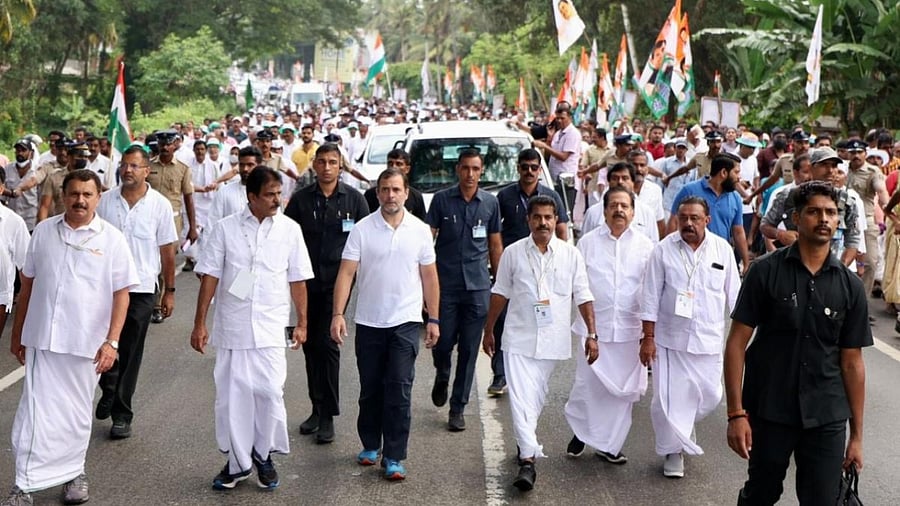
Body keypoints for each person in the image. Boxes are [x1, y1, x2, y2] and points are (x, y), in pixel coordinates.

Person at [724, 180, 871, 505]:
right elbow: (736, 344)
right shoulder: (764, 272)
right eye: (814, 211)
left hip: (826, 415)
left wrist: (857, 436)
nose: (824, 219)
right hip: (769, 410)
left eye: (831, 213)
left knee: (821, 499)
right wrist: (736, 414)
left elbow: (852, 363)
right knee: (761, 493)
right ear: (795, 218)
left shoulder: (850, 286)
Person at [4, 170, 139, 506]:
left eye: (87, 195)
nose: (80, 200)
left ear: (98, 197)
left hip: (86, 346)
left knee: (76, 415)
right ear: (64, 194)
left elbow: (122, 294)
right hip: (42, 341)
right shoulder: (44, 233)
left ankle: (73, 473)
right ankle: (24, 484)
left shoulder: (112, 239)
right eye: (74, 193)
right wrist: (19, 333)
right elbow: (29, 285)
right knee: (34, 414)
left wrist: (112, 342)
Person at [191, 167, 313, 491]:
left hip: (272, 327)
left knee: (271, 393)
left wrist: (302, 322)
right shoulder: (225, 230)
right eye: (270, 194)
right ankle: (238, 464)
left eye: (279, 193)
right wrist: (199, 323)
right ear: (252, 197)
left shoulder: (290, 230)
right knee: (233, 399)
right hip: (233, 327)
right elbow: (210, 277)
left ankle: (263, 454)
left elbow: (298, 278)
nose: (277, 199)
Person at [330, 167, 440, 481]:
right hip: (368, 321)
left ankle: (393, 455)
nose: (390, 196)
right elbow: (347, 273)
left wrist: (433, 318)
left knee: (400, 389)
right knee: (371, 389)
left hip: (405, 322)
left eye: (396, 190)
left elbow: (429, 276)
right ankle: (370, 443)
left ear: (406, 193)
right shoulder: (362, 229)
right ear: (377, 193)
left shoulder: (419, 230)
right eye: (384, 190)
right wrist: (338, 314)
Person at [483, 194, 596, 492]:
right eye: (537, 217)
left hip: (552, 340)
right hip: (518, 337)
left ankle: (525, 444)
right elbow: (500, 292)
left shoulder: (570, 255)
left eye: (548, 217)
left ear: (555, 219)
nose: (543, 222)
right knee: (520, 398)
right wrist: (489, 329)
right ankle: (528, 461)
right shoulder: (513, 253)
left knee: (534, 398)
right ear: (528, 220)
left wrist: (592, 334)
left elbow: (583, 295)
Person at [640, 196, 740, 479]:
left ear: (707, 220)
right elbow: (649, 296)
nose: (688, 223)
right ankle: (674, 452)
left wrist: (745, 336)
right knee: (669, 400)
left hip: (708, 339)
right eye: (683, 217)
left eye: (694, 218)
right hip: (670, 340)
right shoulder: (663, 250)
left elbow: (736, 297)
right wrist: (648, 337)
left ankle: (682, 424)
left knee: (711, 394)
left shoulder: (722, 249)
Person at [284, 143, 369, 444]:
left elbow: (366, 242)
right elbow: (287, 238)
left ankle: (329, 415)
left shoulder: (355, 200)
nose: (327, 167)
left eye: (333, 162)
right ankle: (316, 408)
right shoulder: (300, 201)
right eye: (322, 162)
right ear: (314, 166)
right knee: (309, 347)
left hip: (338, 284)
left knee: (328, 345)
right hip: (306, 282)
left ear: (341, 166)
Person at [94, 146, 178, 440]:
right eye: (124, 165)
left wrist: (169, 291)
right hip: (103, 286)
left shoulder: (159, 205)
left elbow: (167, 250)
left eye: (134, 166)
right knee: (103, 342)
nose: (127, 170)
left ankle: (122, 413)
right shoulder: (103, 201)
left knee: (130, 350)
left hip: (141, 289)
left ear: (147, 171)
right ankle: (109, 385)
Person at [564, 187, 652, 464]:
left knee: (620, 395)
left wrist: (649, 334)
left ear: (633, 212)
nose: (619, 210)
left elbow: (652, 291)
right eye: (613, 205)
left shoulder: (646, 246)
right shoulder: (587, 243)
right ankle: (583, 432)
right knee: (588, 387)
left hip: (629, 331)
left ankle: (610, 445)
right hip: (594, 330)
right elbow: (577, 286)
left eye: (624, 206)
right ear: (603, 211)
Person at [425, 148, 502, 431]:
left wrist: (501, 284)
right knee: (442, 343)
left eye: (475, 169)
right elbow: (427, 242)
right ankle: (442, 372)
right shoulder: (442, 201)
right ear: (458, 170)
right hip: (446, 286)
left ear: (481, 172)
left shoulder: (490, 204)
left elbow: (495, 245)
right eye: (466, 168)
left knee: (470, 350)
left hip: (478, 287)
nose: (470, 174)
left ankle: (458, 408)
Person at [490, 149, 569, 396]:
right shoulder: (504, 196)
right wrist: (499, 264)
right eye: (525, 167)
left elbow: (563, 230)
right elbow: (496, 235)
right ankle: (501, 374)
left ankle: (534, 369)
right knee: (506, 318)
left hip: (545, 267)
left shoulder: (551, 196)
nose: (530, 172)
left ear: (540, 169)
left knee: (540, 317)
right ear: (518, 168)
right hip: (515, 265)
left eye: (534, 167)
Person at [761, 147, 861, 266]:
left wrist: (839, 269)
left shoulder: (846, 201)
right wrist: (780, 234)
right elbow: (765, 226)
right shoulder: (789, 196)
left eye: (834, 166)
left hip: (829, 267)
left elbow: (853, 240)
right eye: (824, 165)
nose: (830, 170)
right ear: (811, 168)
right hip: (793, 266)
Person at [668, 154, 750, 272]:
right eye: (736, 172)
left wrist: (746, 263)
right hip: (688, 255)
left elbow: (738, 232)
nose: (739, 177)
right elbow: (674, 221)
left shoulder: (735, 198)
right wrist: (670, 253)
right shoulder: (689, 190)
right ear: (723, 173)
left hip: (718, 258)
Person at [147, 129, 198, 324]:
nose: (165, 147)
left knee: (164, 262)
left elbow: (188, 199)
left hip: (172, 222)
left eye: (169, 143)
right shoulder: (148, 167)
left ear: (175, 144)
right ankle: (150, 300)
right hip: (149, 220)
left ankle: (158, 305)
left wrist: (192, 227)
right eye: (162, 144)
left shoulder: (183, 169)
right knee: (151, 261)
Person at [846, 139, 890, 296]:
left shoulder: (873, 172)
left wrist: (889, 209)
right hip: (843, 223)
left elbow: (882, 191)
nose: (856, 156)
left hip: (866, 221)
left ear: (865, 153)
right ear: (847, 154)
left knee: (870, 262)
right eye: (852, 153)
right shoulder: (841, 169)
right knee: (844, 261)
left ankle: (862, 303)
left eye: (859, 152)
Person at [582, 162, 659, 242]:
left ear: (633, 182)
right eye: (615, 178)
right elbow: (585, 245)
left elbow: (653, 245)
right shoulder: (593, 213)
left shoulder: (647, 213)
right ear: (609, 182)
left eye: (625, 178)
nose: (620, 182)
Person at [534, 101, 582, 215]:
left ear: (569, 117)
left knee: (564, 213)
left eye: (562, 118)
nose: (559, 121)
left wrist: (545, 146)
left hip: (566, 183)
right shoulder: (557, 133)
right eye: (558, 118)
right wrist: (549, 141)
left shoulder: (573, 134)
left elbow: (563, 157)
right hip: (553, 180)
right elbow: (549, 155)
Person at [363, 149, 426, 220]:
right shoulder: (371, 195)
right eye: (390, 163)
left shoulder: (416, 197)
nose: (394, 167)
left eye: (399, 164)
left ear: (407, 169)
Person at [37, 140, 90, 223]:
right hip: (60, 224)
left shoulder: (92, 179)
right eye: (79, 156)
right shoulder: (54, 177)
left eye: (85, 157)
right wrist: (41, 227)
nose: (83, 159)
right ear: (69, 157)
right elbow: (44, 206)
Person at [208, 146, 262, 227]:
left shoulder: (267, 193)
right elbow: (212, 223)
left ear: (259, 166)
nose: (245, 169)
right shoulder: (224, 192)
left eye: (250, 165)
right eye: (242, 165)